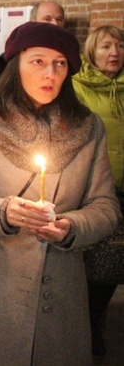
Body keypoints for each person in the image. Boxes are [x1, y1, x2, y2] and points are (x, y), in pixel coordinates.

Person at [0, 21, 121, 365]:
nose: (49, 72)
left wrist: (72, 226)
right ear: (16, 65)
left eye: (60, 63)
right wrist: (3, 213)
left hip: (60, 298)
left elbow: (106, 207)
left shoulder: (89, 127)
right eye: (38, 61)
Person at [72, 25, 124, 358]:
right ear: (92, 51)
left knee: (117, 259)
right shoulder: (79, 86)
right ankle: (89, 326)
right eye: (106, 46)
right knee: (97, 262)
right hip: (97, 186)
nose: (115, 52)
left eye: (120, 46)